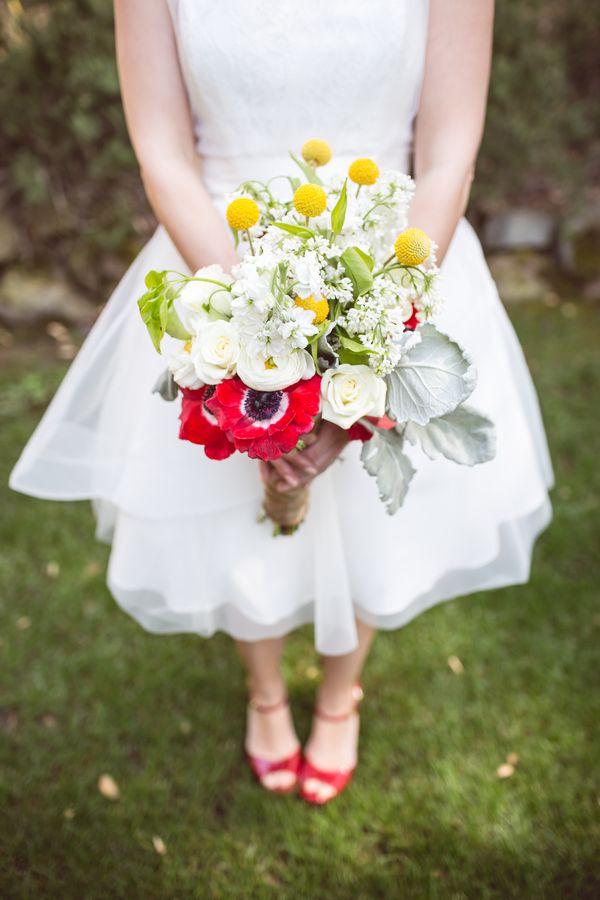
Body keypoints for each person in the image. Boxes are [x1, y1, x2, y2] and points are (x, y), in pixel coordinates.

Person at [9, 0, 553, 805]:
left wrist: (369, 342)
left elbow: (446, 157)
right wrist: (259, 326)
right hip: (218, 261)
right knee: (231, 495)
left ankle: (342, 695)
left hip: (398, 261)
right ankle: (265, 690)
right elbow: (163, 155)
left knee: (375, 504)